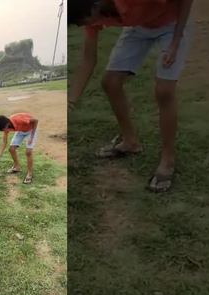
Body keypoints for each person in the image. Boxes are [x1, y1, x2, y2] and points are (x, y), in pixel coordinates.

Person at [69, 0, 194, 192]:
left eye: (85, 20)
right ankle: (130, 142)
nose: (86, 25)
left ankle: (168, 159)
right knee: (110, 82)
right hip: (139, 27)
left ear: (94, 5)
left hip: (172, 24)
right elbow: (88, 60)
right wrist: (70, 103)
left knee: (164, 91)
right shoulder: (91, 13)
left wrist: (176, 40)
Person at [0, 113, 39, 184]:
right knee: (11, 149)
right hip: (21, 131)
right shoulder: (6, 126)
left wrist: (32, 136)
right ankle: (16, 167)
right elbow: (4, 142)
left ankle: (29, 173)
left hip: (31, 130)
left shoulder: (19, 119)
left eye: (2, 130)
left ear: (6, 125)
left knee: (28, 152)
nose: (3, 131)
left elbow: (35, 120)